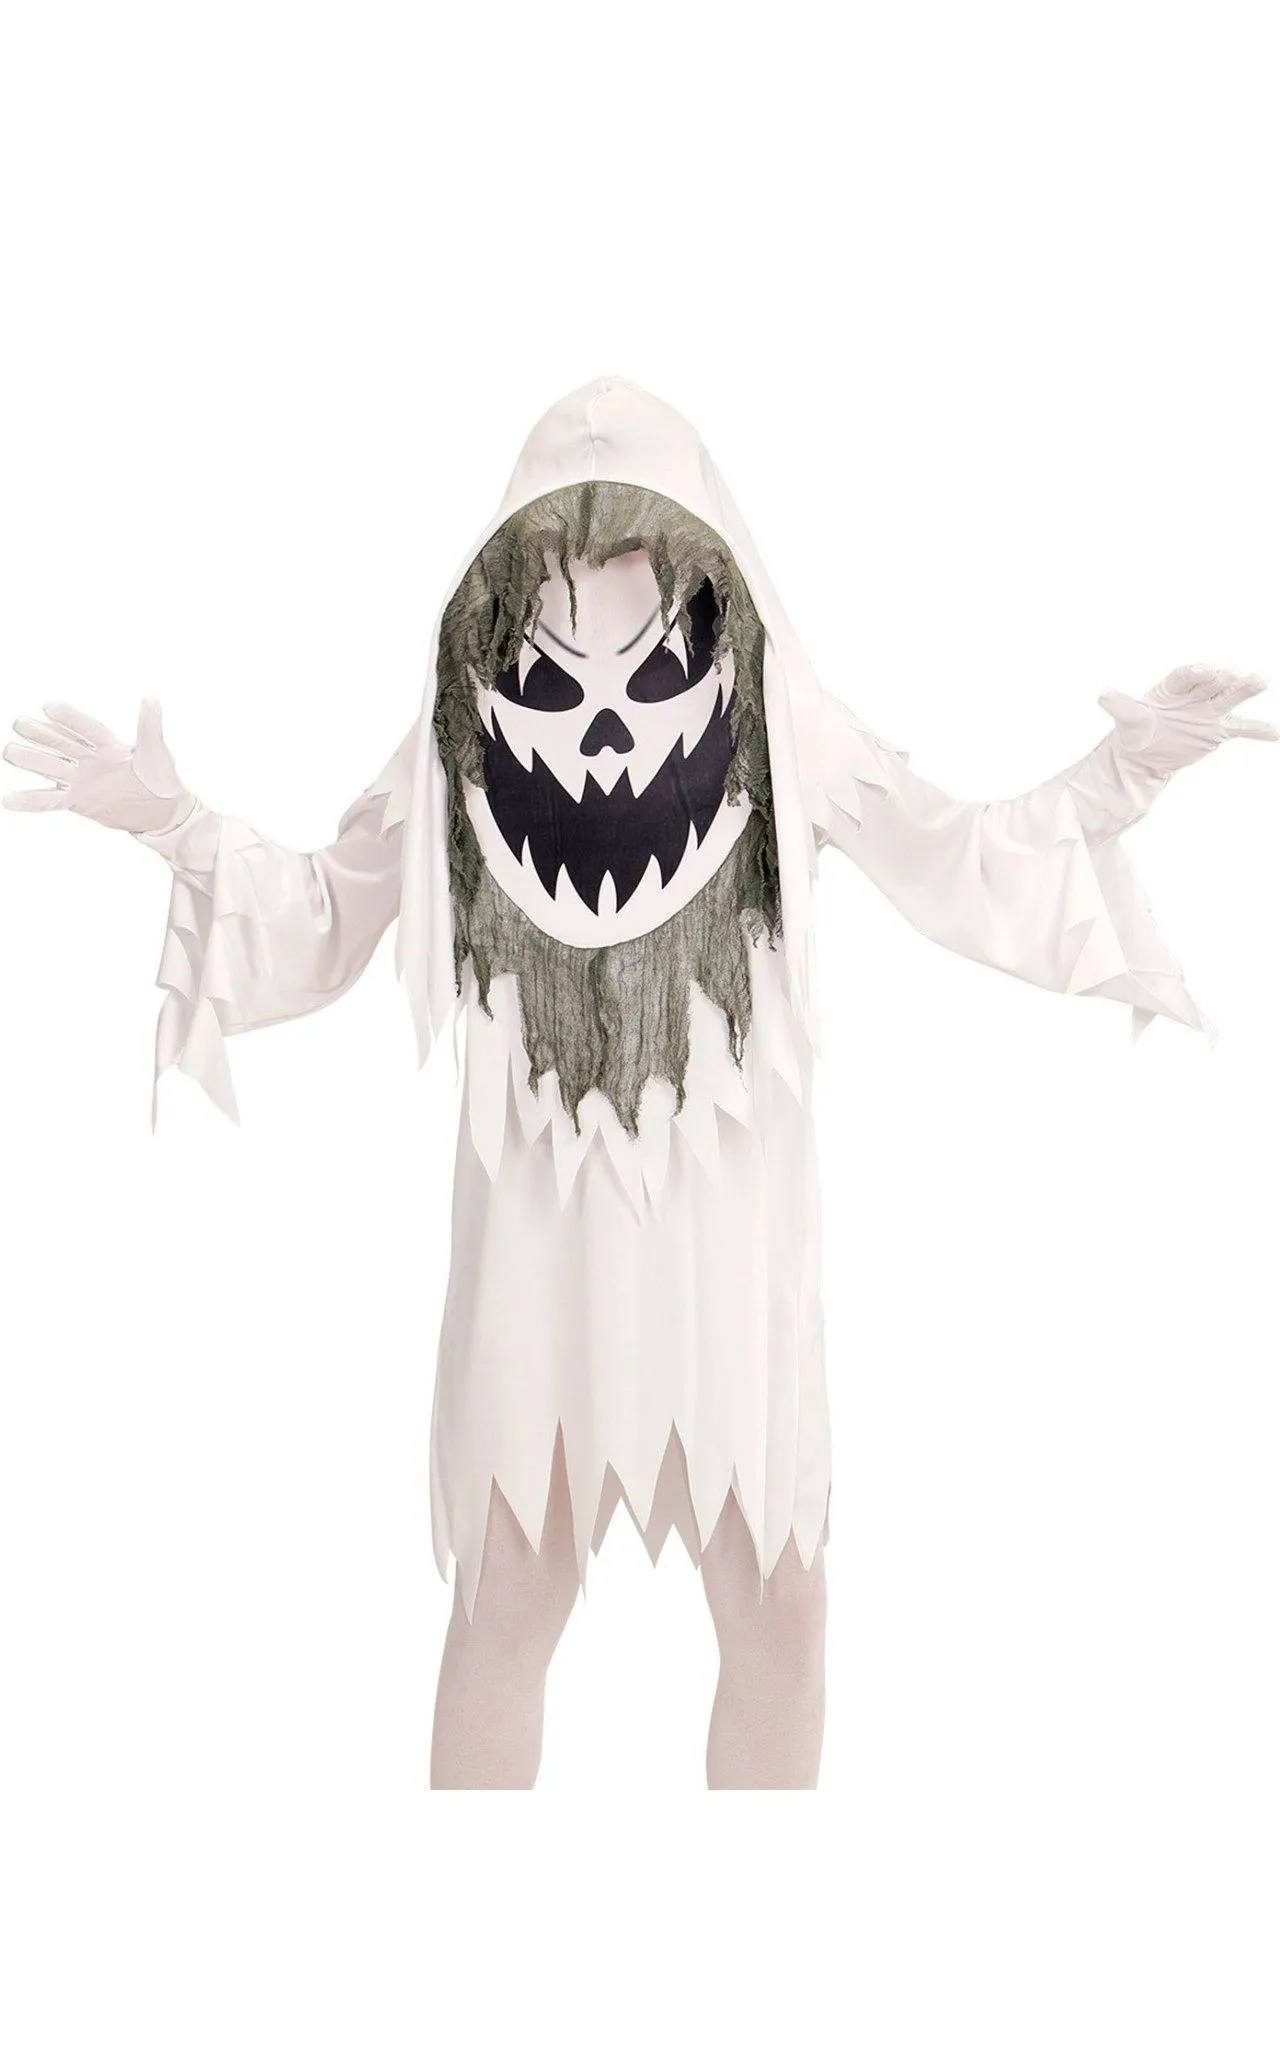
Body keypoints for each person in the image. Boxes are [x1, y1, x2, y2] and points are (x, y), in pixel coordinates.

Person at [5, 377, 1273, 1789]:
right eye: (565, 588)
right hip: (538, 1240)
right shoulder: (462, 735)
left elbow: (956, 856)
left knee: (776, 1604)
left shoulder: (781, 718)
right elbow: (327, 911)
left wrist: (1112, 780)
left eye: (636, 582)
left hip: (733, 1234)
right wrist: (174, 825)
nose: (603, 693)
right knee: (512, 1594)